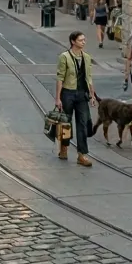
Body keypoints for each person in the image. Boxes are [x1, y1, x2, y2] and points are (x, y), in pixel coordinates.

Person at [54, 31, 95, 167]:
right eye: (81, 40)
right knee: (66, 123)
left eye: (84, 40)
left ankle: (82, 155)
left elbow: (89, 77)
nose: (84, 42)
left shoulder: (87, 57)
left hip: (82, 94)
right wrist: (58, 98)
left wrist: (92, 95)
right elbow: (60, 78)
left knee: (82, 124)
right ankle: (64, 148)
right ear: (73, 41)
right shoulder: (64, 57)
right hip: (68, 93)